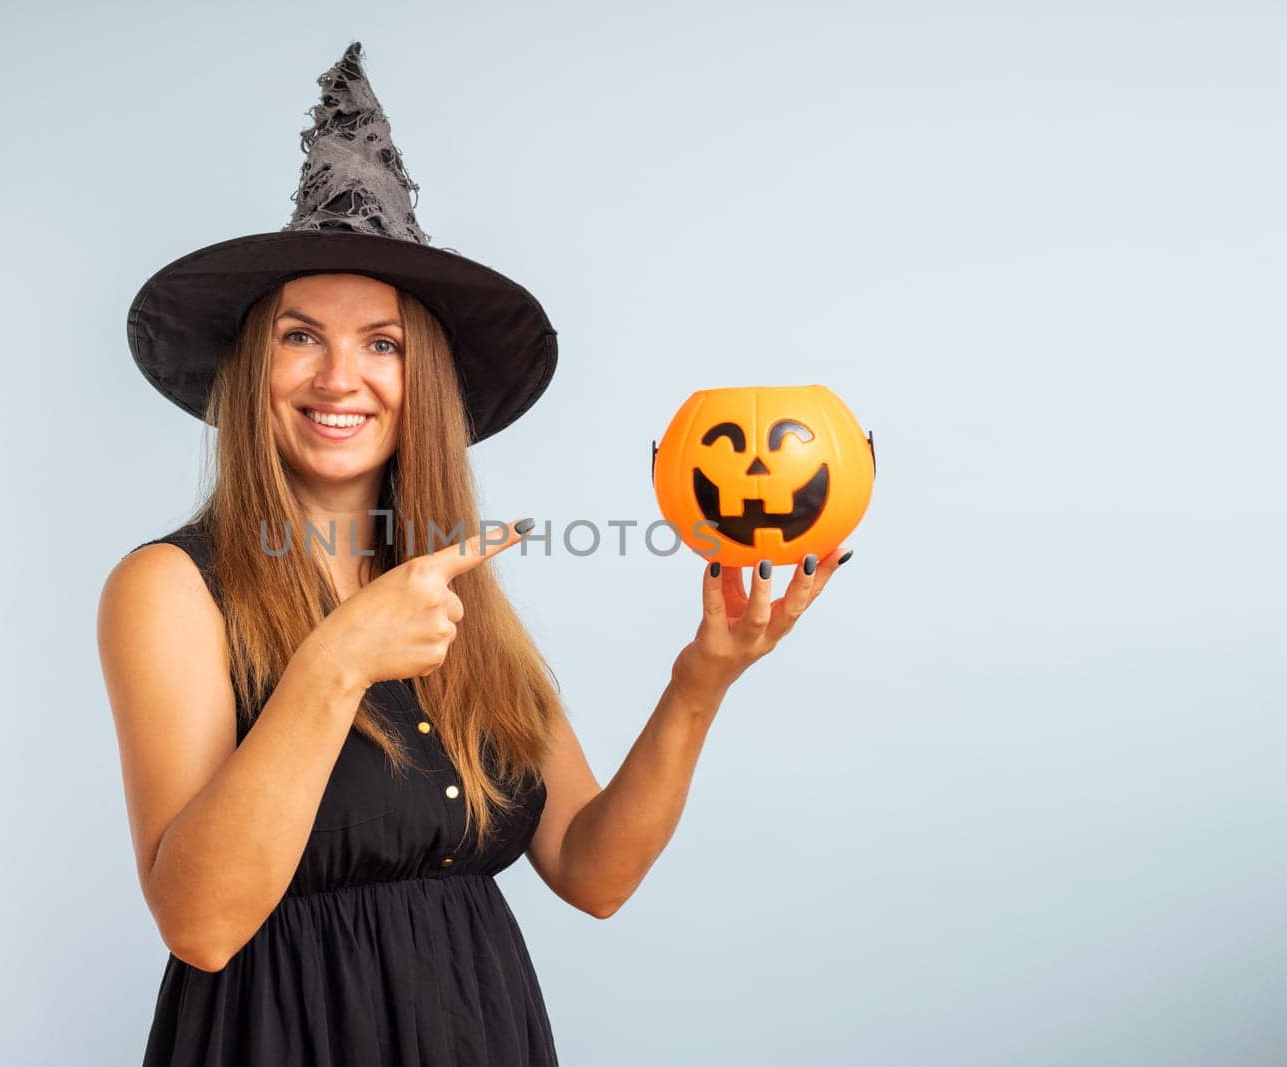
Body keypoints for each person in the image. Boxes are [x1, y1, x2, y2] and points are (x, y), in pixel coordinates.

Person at [97, 43, 852, 1067]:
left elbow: (592, 872)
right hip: (283, 1037)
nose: (339, 376)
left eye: (383, 343)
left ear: (426, 381)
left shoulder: (452, 592)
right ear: (251, 368)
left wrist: (699, 683)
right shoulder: (172, 588)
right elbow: (201, 922)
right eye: (298, 336)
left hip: (477, 1030)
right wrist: (336, 659)